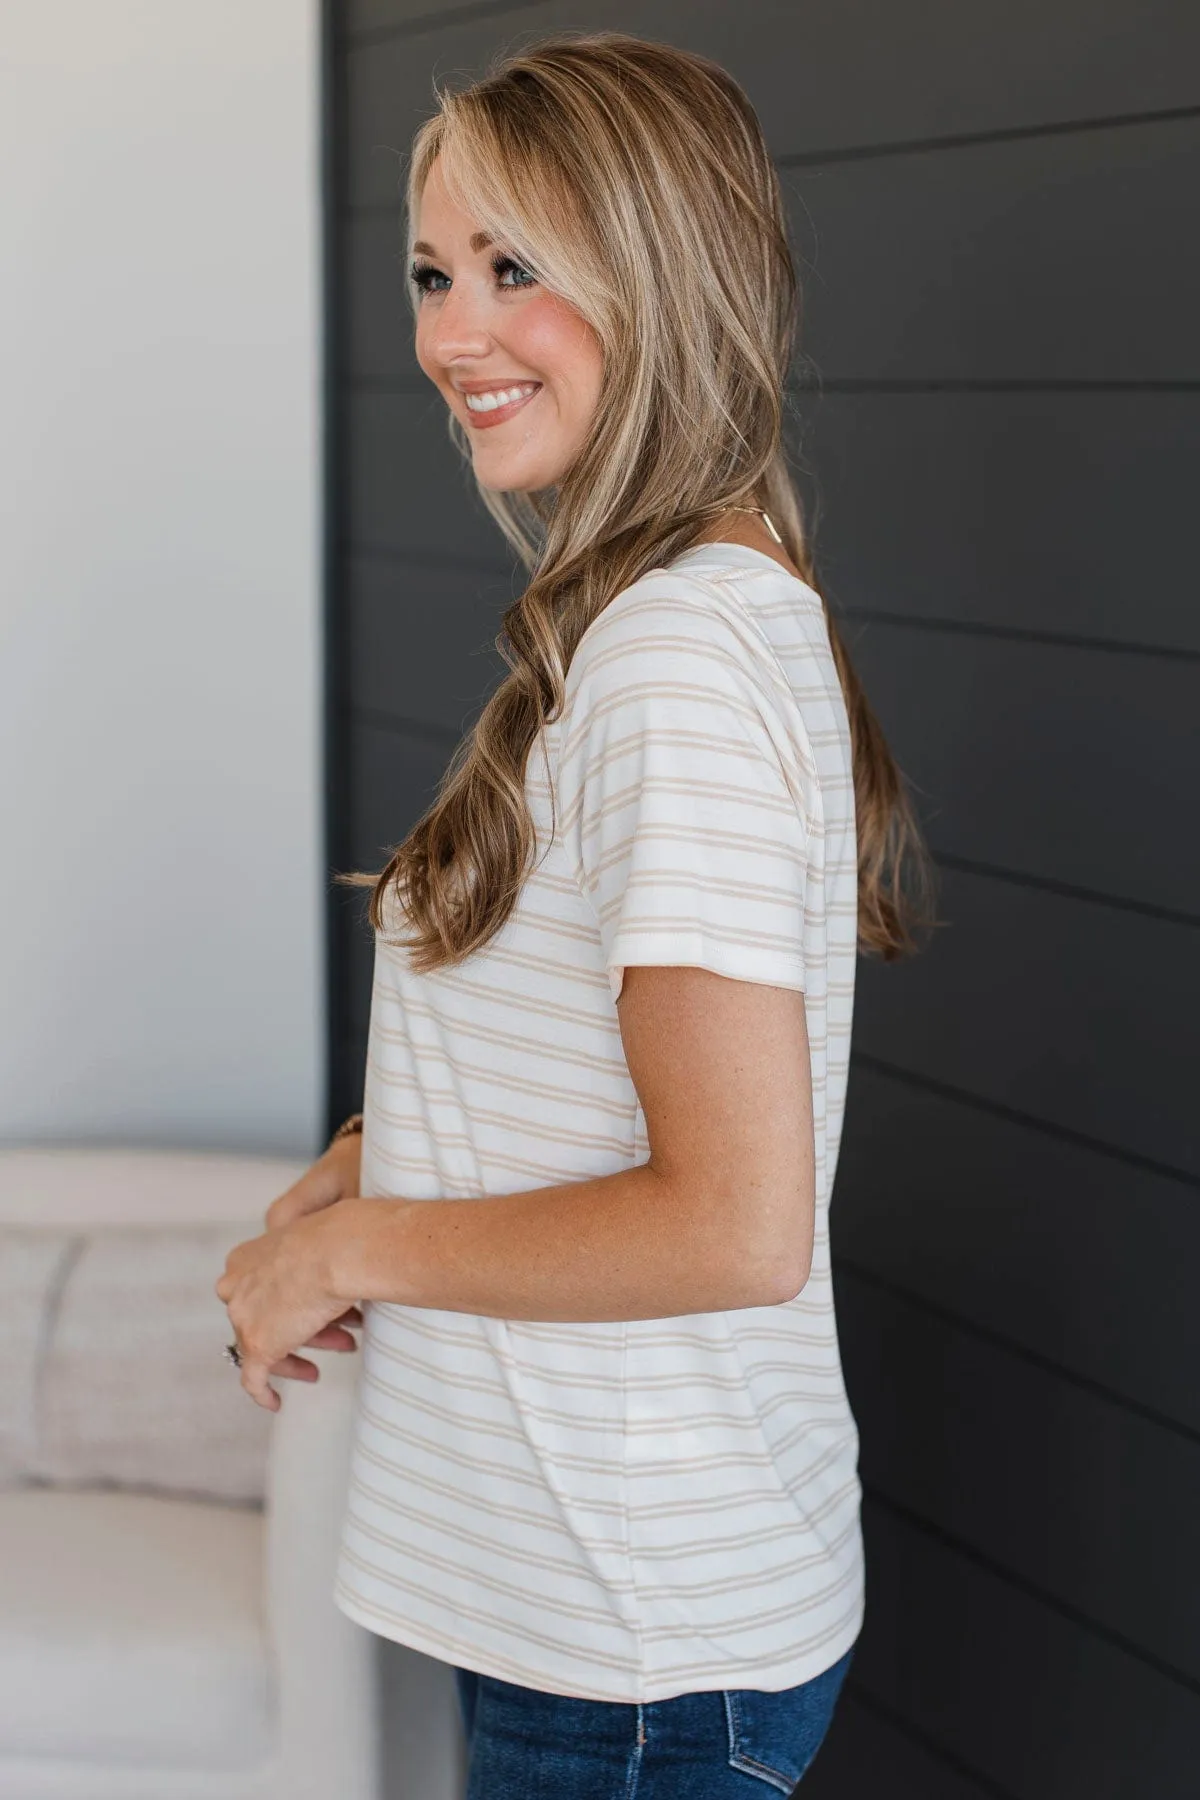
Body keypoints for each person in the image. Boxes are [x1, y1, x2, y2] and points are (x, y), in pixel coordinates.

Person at [216, 30, 934, 1798]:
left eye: (516, 269)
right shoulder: (653, 620)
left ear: (659, 275)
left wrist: (340, 1253)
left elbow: (730, 1220)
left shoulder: (672, 658)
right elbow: (596, 1081)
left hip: (632, 1648)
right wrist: (379, 1156)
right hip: (607, 1623)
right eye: (434, 271)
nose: (454, 332)